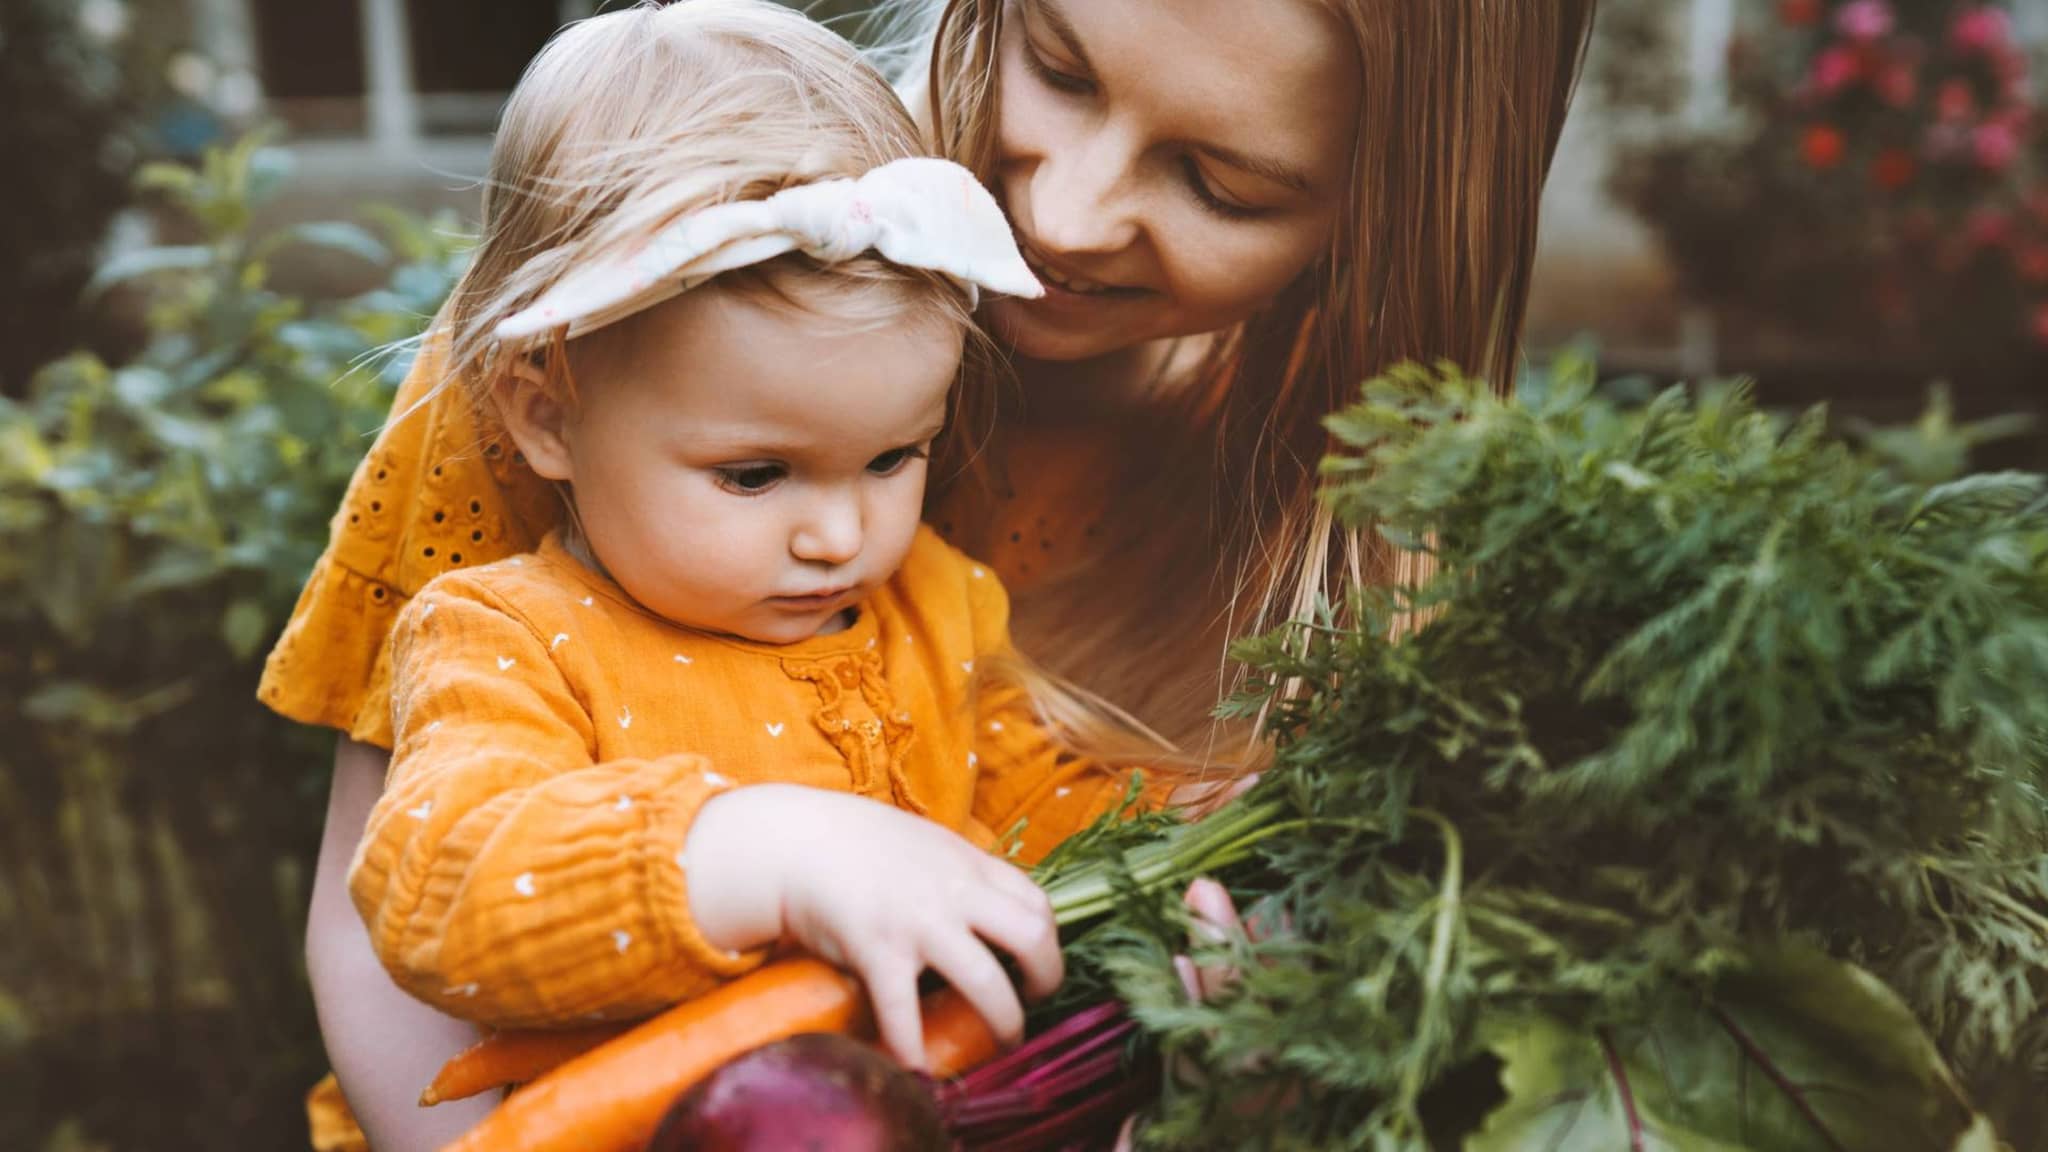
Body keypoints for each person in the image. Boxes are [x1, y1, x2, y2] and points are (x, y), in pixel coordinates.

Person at [270, 1, 1597, 1147]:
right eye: (1061, 66)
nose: (1062, 213)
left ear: (1387, 206)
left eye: (1220, 182)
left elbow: (1036, 848)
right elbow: (405, 891)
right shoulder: (630, 292)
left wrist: (1237, 953)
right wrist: (761, 848)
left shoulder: (959, 604)